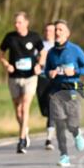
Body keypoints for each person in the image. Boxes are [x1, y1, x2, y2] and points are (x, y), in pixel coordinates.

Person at [44, 20, 84, 167]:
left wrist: (75, 71)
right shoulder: (51, 53)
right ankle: (64, 155)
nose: (57, 32)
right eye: (56, 29)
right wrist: (49, 73)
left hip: (73, 89)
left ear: (67, 33)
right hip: (56, 91)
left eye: (61, 30)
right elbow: (46, 70)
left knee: (71, 124)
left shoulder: (75, 50)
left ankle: (76, 133)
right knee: (60, 124)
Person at [0, 12, 43, 154]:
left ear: (26, 23)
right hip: (14, 77)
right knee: (18, 111)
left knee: (25, 107)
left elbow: (44, 52)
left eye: (19, 22)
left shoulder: (34, 37)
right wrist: (6, 65)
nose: (16, 25)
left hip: (30, 77)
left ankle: (21, 140)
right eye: (15, 22)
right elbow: (0, 54)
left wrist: (39, 65)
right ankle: (25, 129)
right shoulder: (10, 37)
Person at [36, 22, 56, 150]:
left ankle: (49, 138)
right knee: (44, 109)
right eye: (46, 30)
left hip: (54, 79)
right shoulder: (39, 45)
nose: (48, 32)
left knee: (51, 105)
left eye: (51, 30)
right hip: (41, 78)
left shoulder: (58, 45)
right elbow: (33, 58)